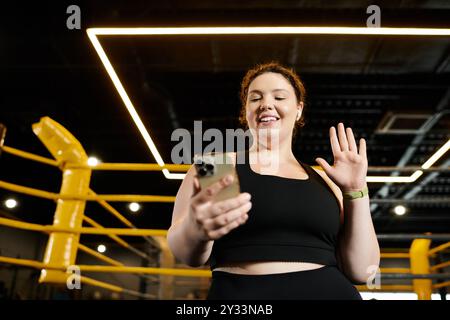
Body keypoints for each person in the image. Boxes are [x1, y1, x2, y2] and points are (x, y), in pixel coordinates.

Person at [167, 61, 380, 300]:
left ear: (299, 109)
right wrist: (196, 231)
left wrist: (356, 190)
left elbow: (363, 271)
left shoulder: (327, 180)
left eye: (279, 97)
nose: (266, 104)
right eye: (255, 98)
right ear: (245, 111)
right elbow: (188, 255)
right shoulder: (216, 166)